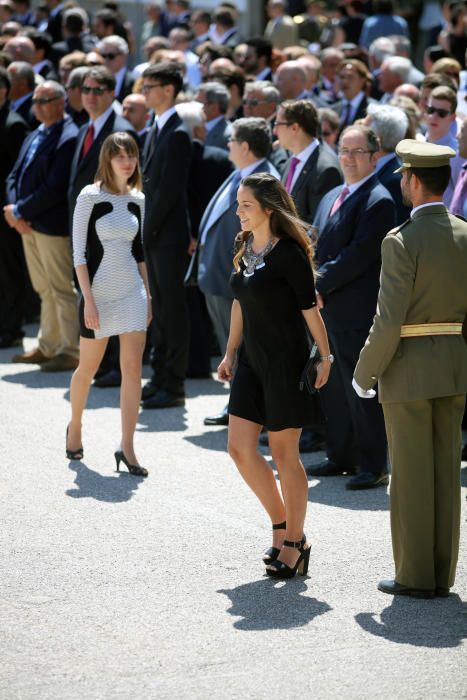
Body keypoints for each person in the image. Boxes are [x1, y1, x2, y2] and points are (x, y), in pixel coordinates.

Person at [353, 139, 467, 598]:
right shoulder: (463, 232)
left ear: (414, 181)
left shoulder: (401, 240)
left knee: (411, 477)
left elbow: (388, 319)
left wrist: (364, 373)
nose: (402, 182)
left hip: (409, 369)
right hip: (455, 365)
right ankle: (442, 573)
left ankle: (416, 576)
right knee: (445, 472)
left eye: (403, 176)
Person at [219, 173, 332, 579]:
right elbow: (239, 302)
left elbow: (309, 309)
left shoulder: (289, 255)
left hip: (286, 363)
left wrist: (326, 355)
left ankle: (296, 543)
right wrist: (230, 351)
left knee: (286, 456)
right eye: (238, 204)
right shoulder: (245, 245)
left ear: (269, 209)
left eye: (246, 205)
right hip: (251, 362)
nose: (239, 212)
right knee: (239, 448)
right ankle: (282, 524)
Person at [307, 125, 396, 489]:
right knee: (334, 387)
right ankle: (341, 454)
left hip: (355, 311)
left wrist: (318, 282)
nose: (348, 158)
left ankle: (373, 465)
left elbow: (359, 254)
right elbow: (314, 243)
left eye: (358, 152)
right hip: (325, 309)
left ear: (375, 156)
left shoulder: (379, 200)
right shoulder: (331, 196)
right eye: (344, 150)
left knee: (361, 389)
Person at [67, 131, 150, 477]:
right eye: (120, 156)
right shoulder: (90, 196)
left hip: (132, 291)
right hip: (97, 295)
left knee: (133, 370)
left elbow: (139, 250)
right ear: (108, 159)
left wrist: (149, 294)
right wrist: (87, 300)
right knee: (87, 369)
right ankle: (75, 426)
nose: (127, 162)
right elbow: (79, 253)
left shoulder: (138, 198)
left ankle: (127, 446)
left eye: (131, 155)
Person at [5, 80, 80, 372]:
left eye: (43, 100)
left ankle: (69, 348)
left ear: (60, 103)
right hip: (28, 222)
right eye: (35, 100)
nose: (36, 106)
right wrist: (15, 210)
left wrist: (21, 210)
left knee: (61, 287)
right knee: (43, 288)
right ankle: (49, 345)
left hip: (50, 224)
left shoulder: (68, 135)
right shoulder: (35, 132)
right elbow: (14, 175)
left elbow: (55, 185)